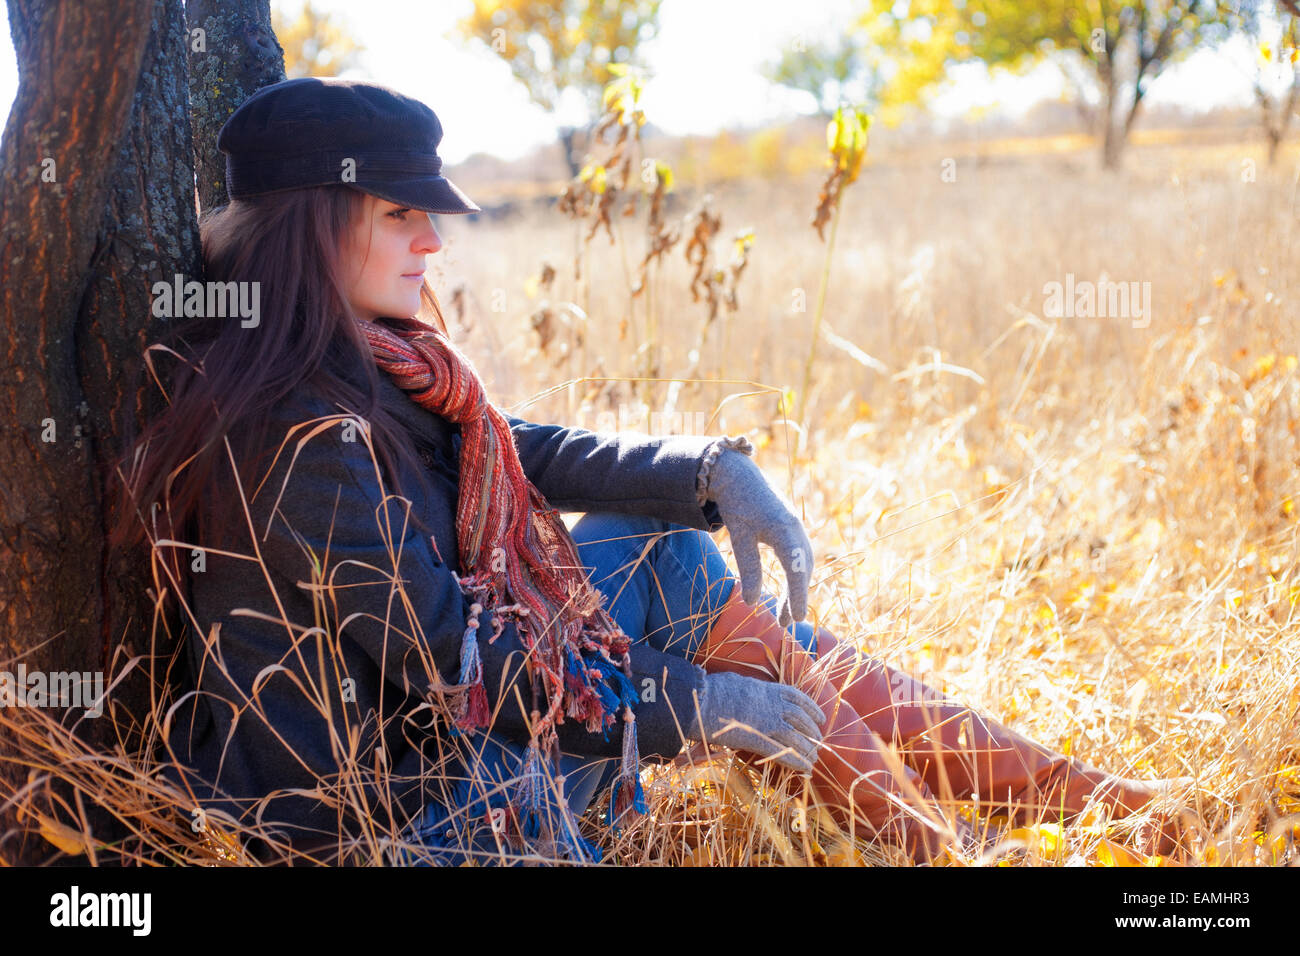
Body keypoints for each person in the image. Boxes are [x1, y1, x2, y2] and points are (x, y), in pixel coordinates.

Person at [109, 77, 1190, 867]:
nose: (432, 239)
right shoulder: (292, 430)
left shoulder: (370, 363)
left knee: (681, 563)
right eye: (400, 211)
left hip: (458, 750)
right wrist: (703, 706)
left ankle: (1096, 809)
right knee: (726, 653)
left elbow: (518, 444)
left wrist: (711, 470)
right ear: (312, 221)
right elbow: (467, 664)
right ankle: (987, 845)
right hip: (397, 816)